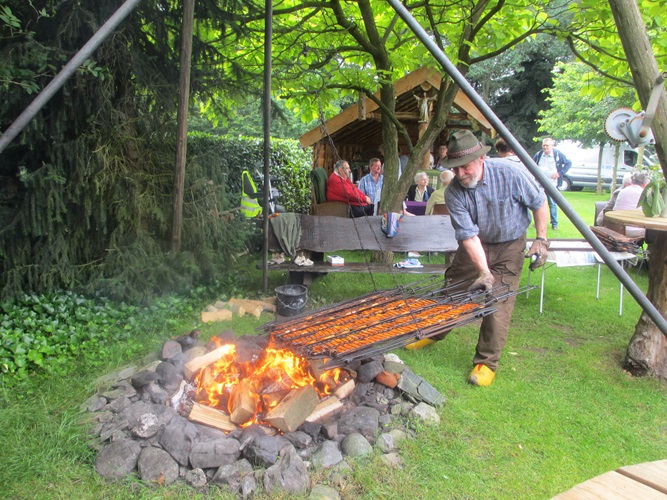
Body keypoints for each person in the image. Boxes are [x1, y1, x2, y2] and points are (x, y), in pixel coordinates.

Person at [407, 130, 549, 388]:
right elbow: (469, 237)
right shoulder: (453, 193)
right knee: (453, 290)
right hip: (476, 245)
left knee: (498, 301)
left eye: (465, 167)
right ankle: (432, 332)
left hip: (510, 245)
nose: (461, 174)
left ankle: (486, 363)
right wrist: (483, 271)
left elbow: (539, 203)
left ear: (482, 158)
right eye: (455, 168)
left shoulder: (510, 174)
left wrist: (541, 238)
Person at [532, 138, 571, 230]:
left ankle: (554, 224)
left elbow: (568, 163)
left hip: (552, 184)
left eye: (547, 145)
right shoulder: (539, 154)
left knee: (552, 204)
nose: (545, 147)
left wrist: (559, 173)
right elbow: (532, 164)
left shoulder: (557, 154)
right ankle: (538, 222)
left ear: (552, 146)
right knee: (538, 203)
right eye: (544, 145)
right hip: (539, 184)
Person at [608, 171, 651, 238]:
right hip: (632, 229)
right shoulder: (643, 193)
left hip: (616, 227)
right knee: (655, 232)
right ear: (645, 184)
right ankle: (654, 248)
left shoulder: (622, 191)